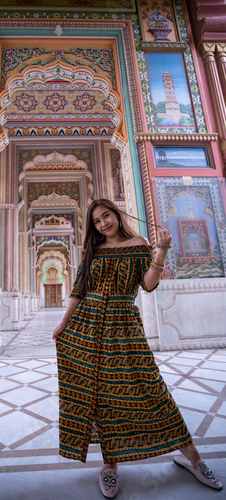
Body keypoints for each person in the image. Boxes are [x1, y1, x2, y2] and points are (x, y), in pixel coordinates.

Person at [53, 199, 222, 498]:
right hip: (89, 326)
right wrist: (64, 323)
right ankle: (110, 467)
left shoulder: (139, 243)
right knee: (104, 397)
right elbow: (79, 290)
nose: (103, 223)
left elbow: (148, 284)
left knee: (152, 389)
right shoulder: (93, 250)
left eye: (106, 216)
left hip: (125, 326)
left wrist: (162, 249)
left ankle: (193, 459)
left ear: (116, 215)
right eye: (97, 221)